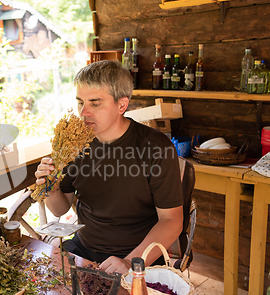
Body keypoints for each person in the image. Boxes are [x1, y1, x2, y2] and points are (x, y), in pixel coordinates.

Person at [34, 60, 183, 275]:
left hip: (139, 255)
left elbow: (172, 220)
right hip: (84, 248)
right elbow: (60, 209)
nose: (84, 112)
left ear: (122, 105)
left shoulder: (156, 147)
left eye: (95, 103)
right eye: (80, 102)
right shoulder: (73, 144)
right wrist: (50, 186)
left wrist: (130, 262)